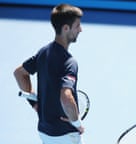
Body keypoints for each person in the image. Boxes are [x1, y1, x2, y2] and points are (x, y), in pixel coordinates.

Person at [14, 4, 84, 144]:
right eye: (77, 26)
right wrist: (77, 123)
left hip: (44, 132)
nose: (80, 30)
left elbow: (19, 73)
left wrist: (34, 102)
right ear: (66, 28)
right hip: (66, 135)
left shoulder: (43, 52)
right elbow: (66, 97)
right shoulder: (70, 63)